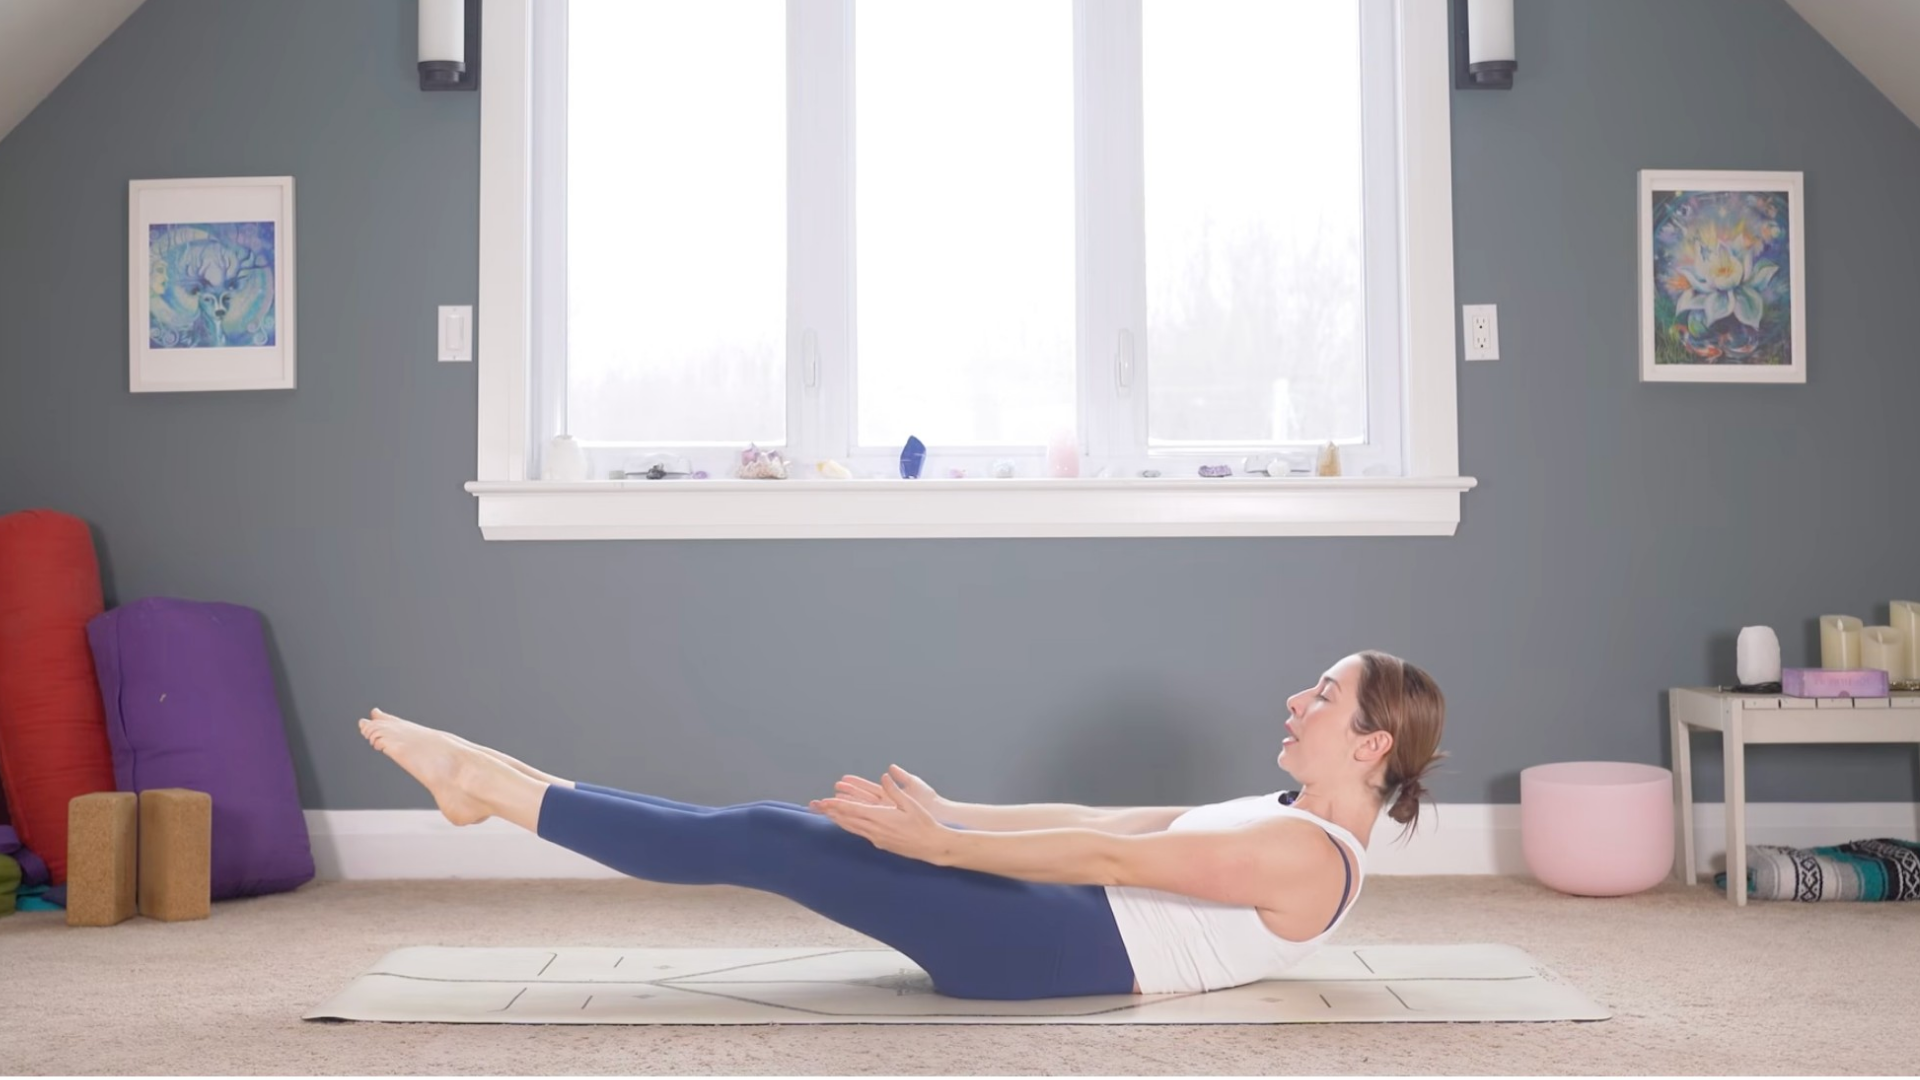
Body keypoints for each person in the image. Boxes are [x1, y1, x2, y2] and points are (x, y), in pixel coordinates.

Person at [358, 649, 1446, 999]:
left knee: (768, 840)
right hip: (1063, 914)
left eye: (1321, 697)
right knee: (784, 825)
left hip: (1052, 949)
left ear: (1369, 747)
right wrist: (950, 815)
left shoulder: (1305, 852)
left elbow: (1120, 858)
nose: (1295, 704)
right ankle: (501, 784)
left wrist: (944, 849)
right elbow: (1102, 816)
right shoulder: (1286, 811)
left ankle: (491, 791)